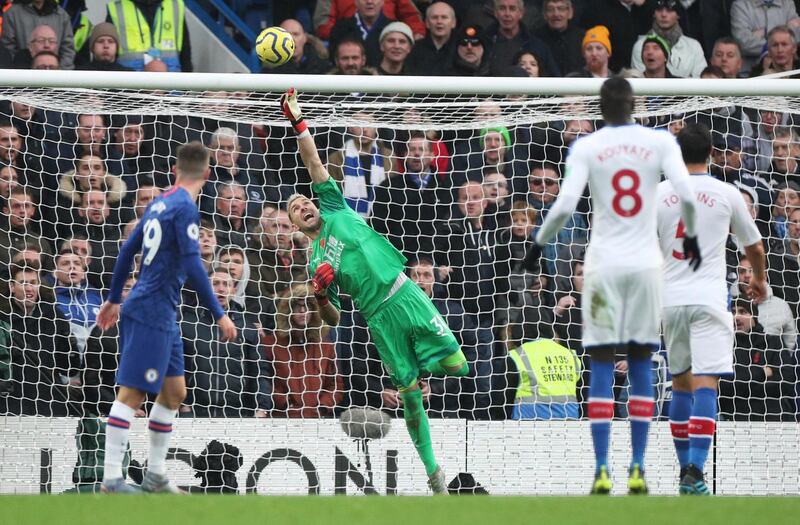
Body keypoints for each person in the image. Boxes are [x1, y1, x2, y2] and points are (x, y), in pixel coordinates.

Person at [280, 88, 469, 493]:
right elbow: (333, 318)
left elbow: (313, 162)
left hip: (405, 294)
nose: (303, 205)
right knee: (409, 397)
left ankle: (420, 371)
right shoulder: (314, 263)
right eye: (296, 209)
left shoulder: (333, 207)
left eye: (304, 201)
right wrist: (318, 295)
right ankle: (434, 472)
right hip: (377, 318)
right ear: (295, 225)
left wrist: (299, 123)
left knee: (457, 366)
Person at [524, 76, 700, 495]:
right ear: (634, 105)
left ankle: (602, 468)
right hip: (644, 267)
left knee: (600, 365)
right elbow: (687, 194)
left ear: (600, 110)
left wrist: (537, 245)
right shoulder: (660, 142)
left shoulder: (587, 145)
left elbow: (566, 203)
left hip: (602, 266)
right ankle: (638, 467)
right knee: (641, 365)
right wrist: (690, 236)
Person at [95, 142, 237, 493]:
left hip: (161, 311)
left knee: (174, 393)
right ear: (207, 174)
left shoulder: (159, 201)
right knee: (133, 394)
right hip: (151, 310)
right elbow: (192, 263)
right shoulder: (186, 207)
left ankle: (156, 475)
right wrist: (219, 313)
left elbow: (128, 248)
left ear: (175, 170)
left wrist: (114, 299)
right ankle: (112, 478)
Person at [656, 123, 766, 495]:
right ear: (712, 154)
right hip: (708, 298)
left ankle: (685, 472)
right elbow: (754, 246)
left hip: (670, 300)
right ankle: (695, 472)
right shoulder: (726, 193)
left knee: (680, 385)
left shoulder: (658, 194)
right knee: (707, 383)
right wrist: (761, 280)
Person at [263, 283, 344, 418]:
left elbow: (336, 385)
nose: (302, 311)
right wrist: (284, 403)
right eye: (297, 306)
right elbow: (264, 380)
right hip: (283, 420)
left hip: (317, 421)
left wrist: (323, 407)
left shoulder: (326, 347)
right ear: (288, 310)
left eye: (306, 306)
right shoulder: (271, 344)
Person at [106, 0, 193, 72]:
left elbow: (185, 52)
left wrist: (187, 89)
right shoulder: (117, 8)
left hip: (172, 88)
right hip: (130, 88)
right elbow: (106, 54)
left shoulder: (175, 5)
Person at [630, 0, 706, 78]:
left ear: (678, 14)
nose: (664, 14)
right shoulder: (641, 46)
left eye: (670, 10)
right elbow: (640, 81)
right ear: (654, 14)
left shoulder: (693, 46)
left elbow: (702, 82)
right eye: (659, 10)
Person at [1, 1, 75, 70]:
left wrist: (60, 74)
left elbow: (68, 50)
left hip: (56, 77)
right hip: (22, 77)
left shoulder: (62, 15)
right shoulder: (12, 14)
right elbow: (8, 50)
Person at [730, 0, 800, 71]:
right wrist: (785, 30)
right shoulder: (740, 6)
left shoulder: (787, 3)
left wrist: (764, 33)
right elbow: (743, 43)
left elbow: (796, 37)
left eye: (783, 44)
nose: (780, 49)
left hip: (788, 70)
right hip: (750, 71)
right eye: (775, 45)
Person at [405, 1, 456, 76]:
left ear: (453, 23)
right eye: (434, 17)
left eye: (444, 17)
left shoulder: (461, 48)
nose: (439, 21)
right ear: (427, 23)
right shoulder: (415, 49)